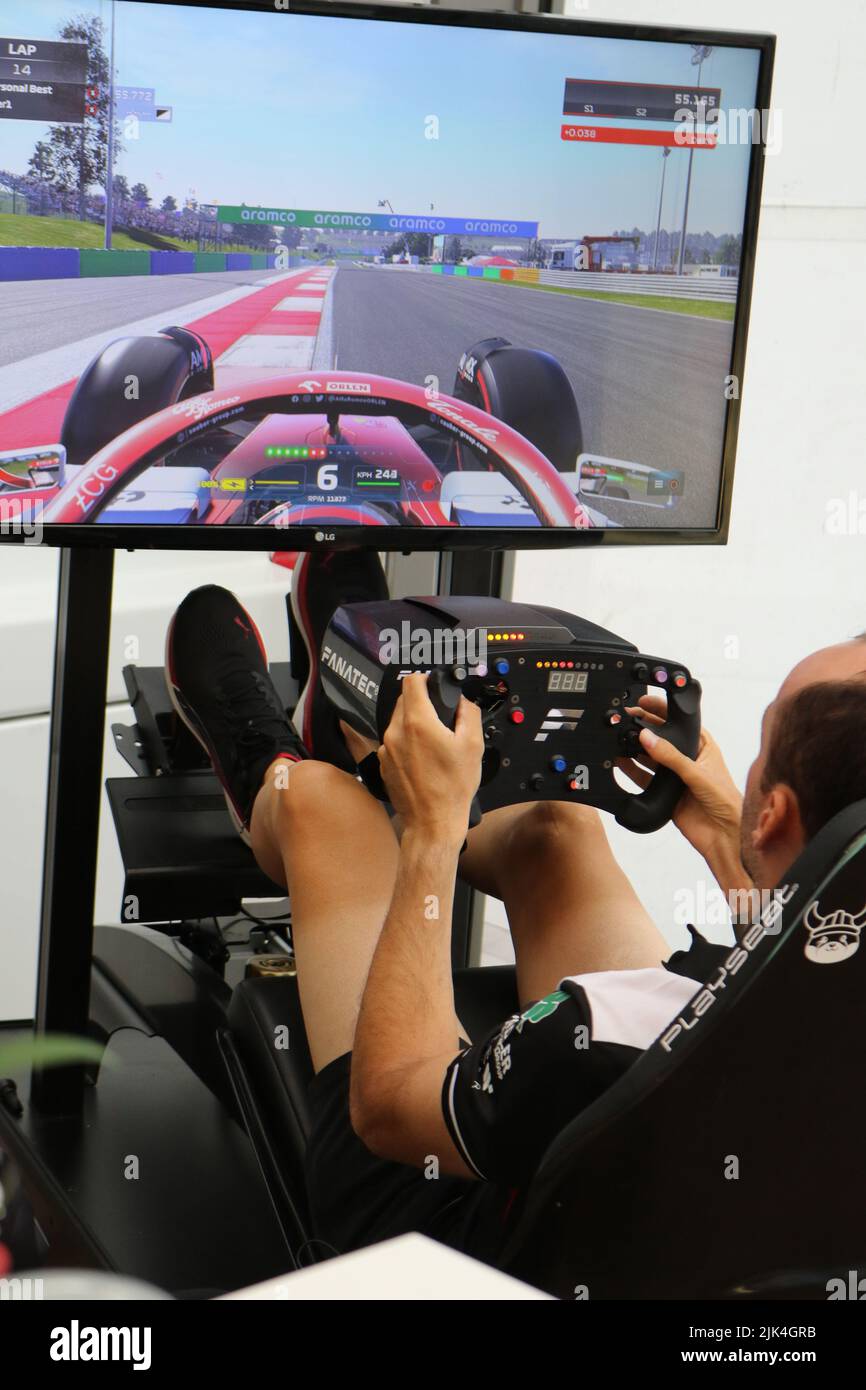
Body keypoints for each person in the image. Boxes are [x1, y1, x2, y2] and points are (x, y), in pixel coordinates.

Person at [165, 551, 866, 1263]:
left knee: (324, 807)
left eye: (766, 735)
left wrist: (432, 833)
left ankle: (270, 765)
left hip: (449, 1229)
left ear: (774, 815)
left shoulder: (593, 1038)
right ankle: (357, 714)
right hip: (691, 1212)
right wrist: (727, 842)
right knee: (553, 830)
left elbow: (388, 1105)